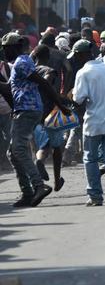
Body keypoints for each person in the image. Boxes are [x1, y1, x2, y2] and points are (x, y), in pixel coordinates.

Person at [1, 33, 70, 207]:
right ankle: (27, 192)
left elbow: (43, 83)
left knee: (18, 149)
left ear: (15, 47)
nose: (4, 52)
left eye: (6, 48)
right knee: (13, 152)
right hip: (24, 110)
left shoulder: (22, 62)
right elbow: (10, 88)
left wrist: (60, 105)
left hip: (28, 110)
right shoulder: (19, 63)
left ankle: (38, 185)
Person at [69, 40, 105, 206]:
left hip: (95, 122)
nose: (76, 59)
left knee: (90, 158)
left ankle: (95, 196)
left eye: (76, 56)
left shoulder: (83, 72)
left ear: (81, 55)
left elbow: (78, 99)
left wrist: (71, 94)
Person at [31, 45, 66, 192]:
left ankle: (39, 161)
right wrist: (62, 102)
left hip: (33, 112)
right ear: (48, 57)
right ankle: (57, 180)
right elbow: (47, 86)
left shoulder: (30, 71)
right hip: (49, 112)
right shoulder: (49, 71)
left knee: (42, 145)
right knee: (56, 146)